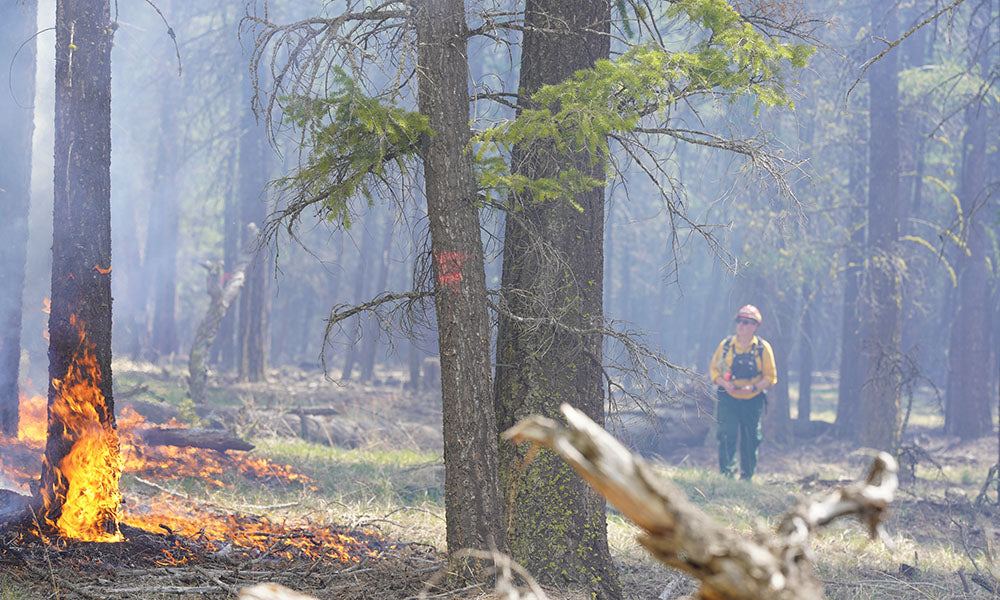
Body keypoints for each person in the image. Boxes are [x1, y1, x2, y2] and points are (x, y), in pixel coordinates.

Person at [708, 304, 777, 481]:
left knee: (751, 438)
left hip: (753, 400)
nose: (742, 325)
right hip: (727, 398)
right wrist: (725, 383)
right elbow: (715, 370)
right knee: (726, 433)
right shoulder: (726, 346)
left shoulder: (763, 348)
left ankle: (747, 476)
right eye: (740, 321)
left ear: (755, 326)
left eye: (747, 322)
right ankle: (727, 475)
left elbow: (770, 377)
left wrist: (753, 388)